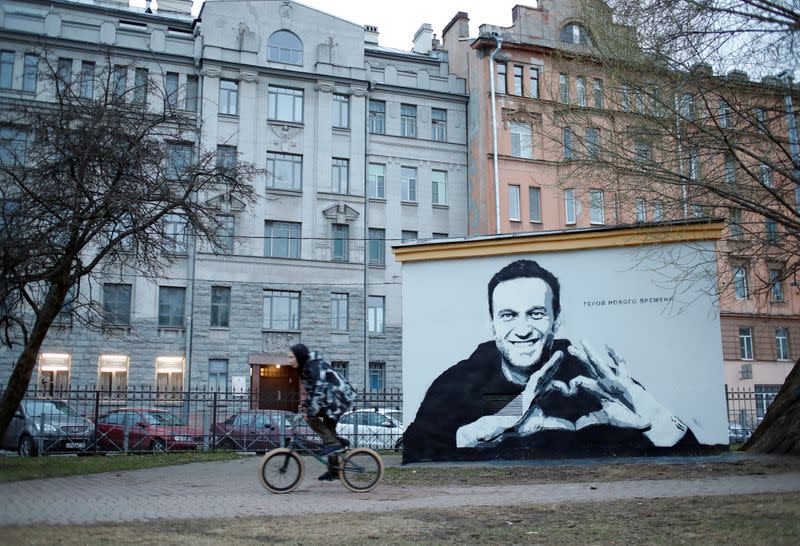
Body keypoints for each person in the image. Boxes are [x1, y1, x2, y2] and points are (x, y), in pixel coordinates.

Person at [403, 259, 698, 462]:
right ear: (492, 324)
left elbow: (692, 457)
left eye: (536, 313)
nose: (523, 329)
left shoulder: (595, 377)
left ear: (556, 320)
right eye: (508, 315)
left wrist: (656, 421)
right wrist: (484, 428)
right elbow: (414, 449)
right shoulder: (459, 382)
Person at [289, 343, 355, 481]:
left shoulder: (313, 365)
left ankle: (335, 443)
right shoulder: (306, 367)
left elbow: (319, 387)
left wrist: (311, 409)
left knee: (311, 417)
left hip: (337, 398)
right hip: (331, 400)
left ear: (299, 357)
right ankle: (334, 469)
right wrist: (306, 403)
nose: (289, 360)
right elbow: (313, 390)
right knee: (329, 435)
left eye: (291, 357)